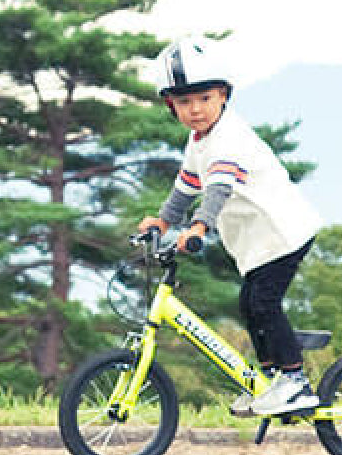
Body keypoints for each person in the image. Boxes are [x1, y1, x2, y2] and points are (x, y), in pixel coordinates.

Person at [138, 35, 323, 417]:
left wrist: (199, 228)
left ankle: (295, 382)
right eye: (184, 102)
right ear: (171, 106)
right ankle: (269, 378)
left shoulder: (230, 138)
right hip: (258, 241)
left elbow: (218, 188)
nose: (196, 110)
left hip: (284, 232)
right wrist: (163, 219)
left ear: (223, 95)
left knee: (263, 302)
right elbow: (187, 185)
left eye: (205, 99)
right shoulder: (198, 141)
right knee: (248, 304)